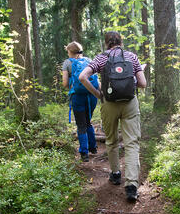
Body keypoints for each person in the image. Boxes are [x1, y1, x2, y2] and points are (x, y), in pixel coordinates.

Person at [79, 31, 147, 202]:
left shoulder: (101, 58)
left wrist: (98, 94)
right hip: (130, 103)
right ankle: (131, 185)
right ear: (121, 42)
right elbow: (143, 84)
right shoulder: (131, 56)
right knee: (131, 143)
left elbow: (82, 77)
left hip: (108, 103)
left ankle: (116, 174)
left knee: (111, 140)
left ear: (106, 43)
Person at [62, 41, 98, 162]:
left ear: (70, 51)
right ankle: (93, 147)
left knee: (81, 124)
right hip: (92, 96)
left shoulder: (67, 63)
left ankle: (84, 153)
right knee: (88, 121)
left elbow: (65, 83)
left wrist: (73, 85)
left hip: (77, 96)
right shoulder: (89, 61)